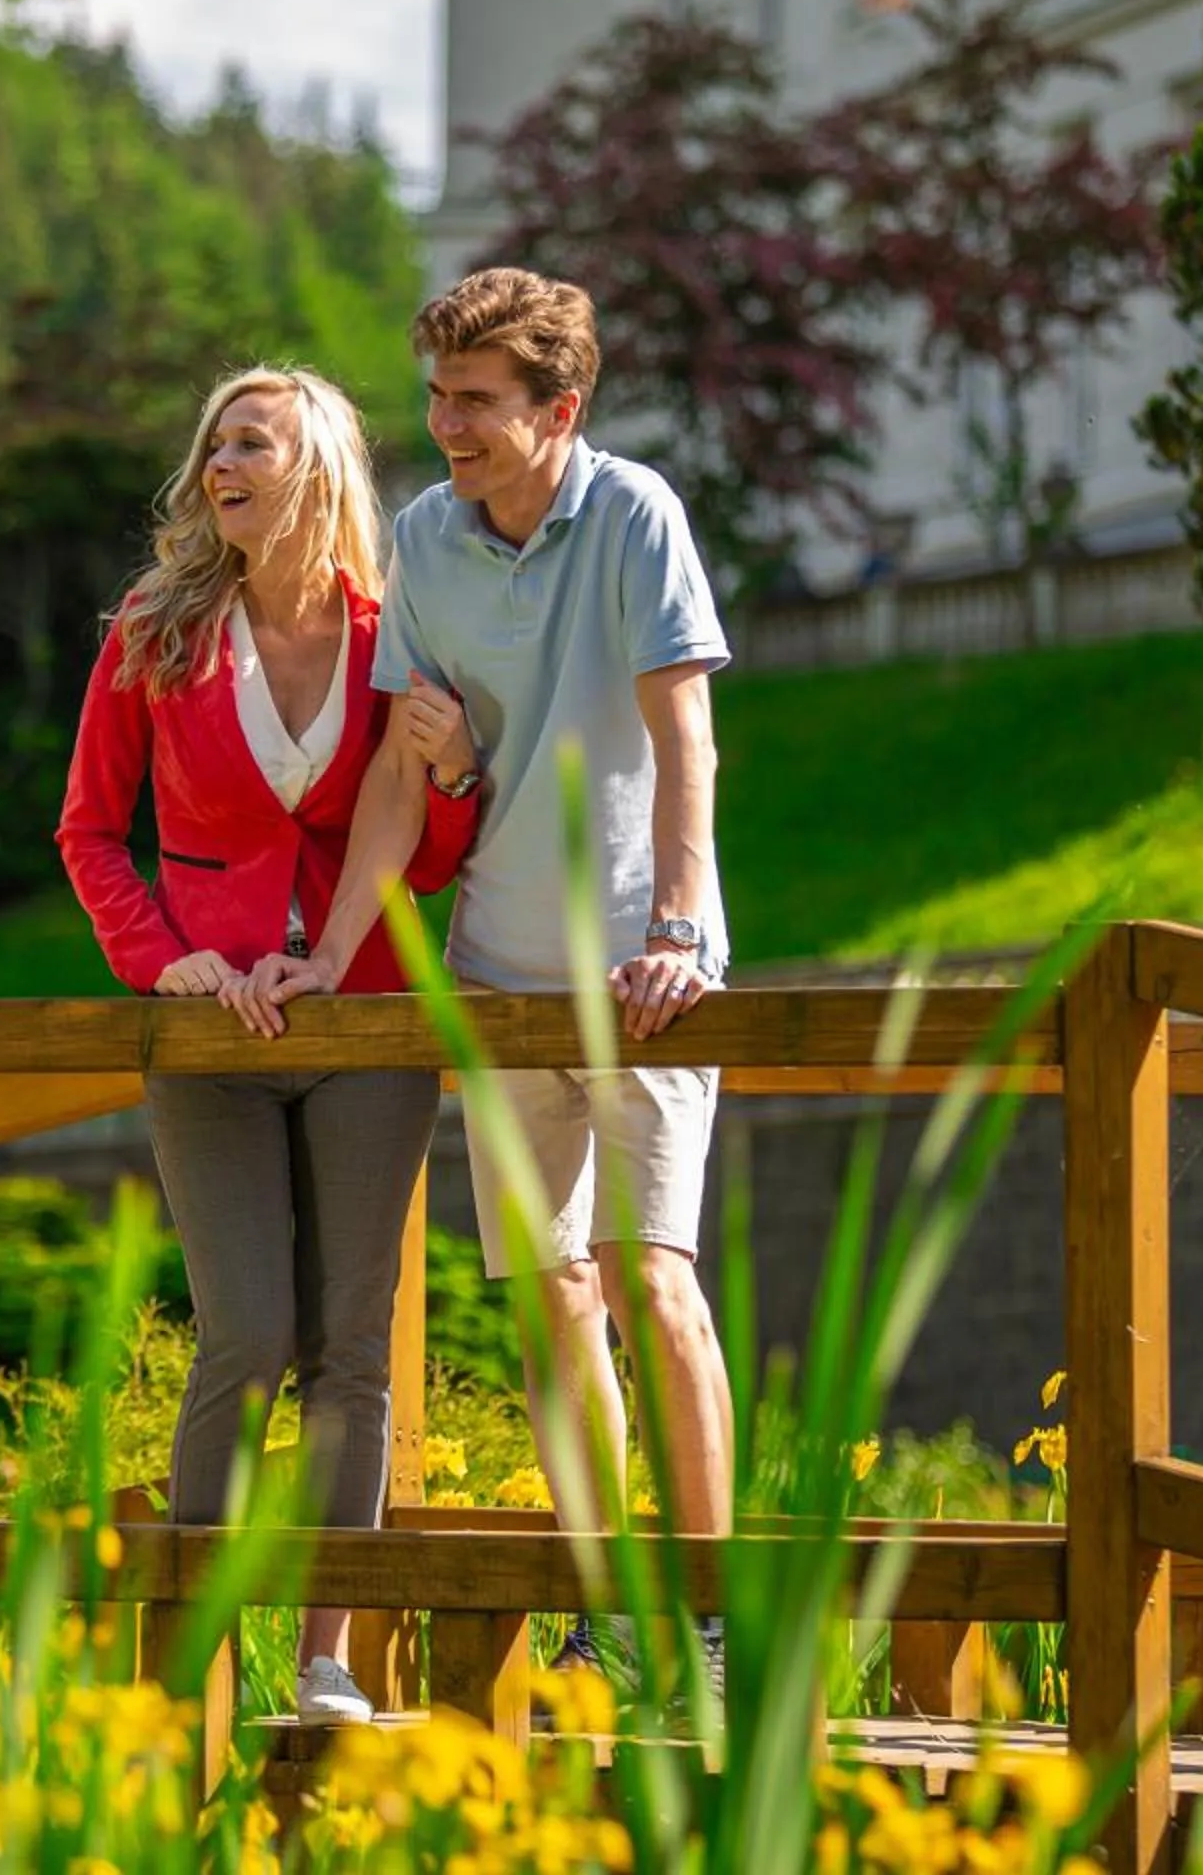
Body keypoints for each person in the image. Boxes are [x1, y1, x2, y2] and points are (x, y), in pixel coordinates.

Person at [231, 267, 735, 1690]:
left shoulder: (634, 515)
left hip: (648, 970)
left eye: (476, 402)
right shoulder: (422, 543)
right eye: (437, 396)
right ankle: (610, 1618)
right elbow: (406, 772)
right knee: (553, 1299)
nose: (445, 424)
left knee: (655, 1283)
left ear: (557, 408)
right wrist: (332, 952)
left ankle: (706, 1617)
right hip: (499, 970)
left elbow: (686, 734)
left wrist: (683, 926)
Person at [55, 365, 483, 1728]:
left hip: (367, 1019)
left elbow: (432, 848)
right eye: (214, 445)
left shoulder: (394, 632)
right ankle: (194, 1664)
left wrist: (460, 769)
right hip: (210, 1033)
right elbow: (85, 833)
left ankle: (326, 1661)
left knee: (350, 1345)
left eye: (255, 442)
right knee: (243, 1333)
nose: (222, 463)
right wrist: (159, 958)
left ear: (319, 473)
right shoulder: (153, 633)